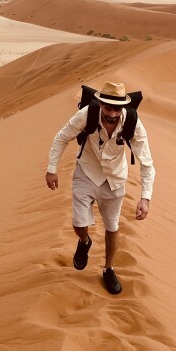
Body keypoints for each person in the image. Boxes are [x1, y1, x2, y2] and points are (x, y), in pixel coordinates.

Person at [46, 81, 156, 294]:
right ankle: (84, 241)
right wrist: (52, 169)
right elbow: (62, 137)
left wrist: (145, 197)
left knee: (112, 227)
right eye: (108, 108)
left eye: (117, 109)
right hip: (87, 172)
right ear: (101, 104)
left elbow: (147, 162)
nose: (112, 114)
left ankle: (108, 269)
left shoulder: (132, 123)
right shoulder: (86, 114)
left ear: (123, 108)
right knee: (79, 222)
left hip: (114, 179)